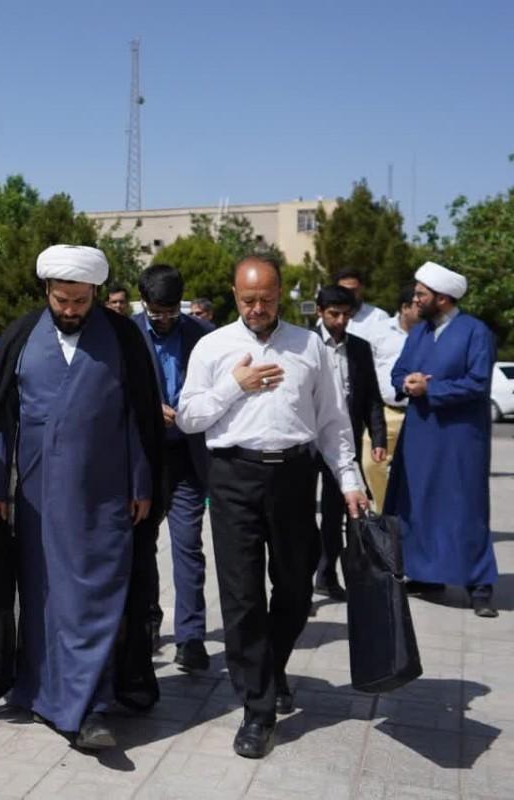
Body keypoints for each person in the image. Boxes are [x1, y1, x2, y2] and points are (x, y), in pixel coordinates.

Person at [0, 244, 165, 750]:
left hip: (106, 496)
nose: (72, 310)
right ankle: (41, 691)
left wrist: (143, 482)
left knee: (93, 600)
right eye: (62, 300)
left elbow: (140, 417)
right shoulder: (20, 336)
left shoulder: (122, 338)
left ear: (96, 293)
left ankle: (91, 708)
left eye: (81, 301)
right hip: (35, 496)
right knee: (44, 598)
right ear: (47, 293)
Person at [176, 255, 367, 760]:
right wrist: (233, 386)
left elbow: (332, 421)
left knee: (296, 588)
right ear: (234, 295)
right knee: (241, 596)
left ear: (281, 294)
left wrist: (349, 478)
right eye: (247, 300)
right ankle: (258, 711)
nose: (256, 308)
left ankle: (270, 665)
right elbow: (190, 417)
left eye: (265, 299)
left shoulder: (308, 347)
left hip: (294, 477)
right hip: (234, 476)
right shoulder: (213, 346)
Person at [387, 262, 499, 618]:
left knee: (464, 508)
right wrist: (407, 383)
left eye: (422, 294)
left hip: (460, 440)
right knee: (418, 505)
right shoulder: (419, 333)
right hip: (420, 436)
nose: (415, 299)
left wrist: (430, 387)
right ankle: (426, 574)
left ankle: (479, 585)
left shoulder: (475, 332)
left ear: (444, 298)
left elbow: (477, 383)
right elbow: (398, 371)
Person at [132, 264, 215, 671]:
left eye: (170, 312)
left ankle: (192, 637)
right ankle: (147, 623)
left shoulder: (203, 337)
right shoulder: (127, 334)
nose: (163, 320)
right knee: (142, 546)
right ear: (143, 302)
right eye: (156, 312)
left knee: (188, 546)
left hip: (187, 458)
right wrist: (150, 411)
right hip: (144, 460)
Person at [311, 285, 387, 599]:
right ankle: (298, 578)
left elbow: (371, 397)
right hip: (305, 442)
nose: (341, 320)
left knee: (336, 513)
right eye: (334, 314)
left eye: (346, 314)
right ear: (319, 312)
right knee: (299, 514)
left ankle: (327, 576)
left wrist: (378, 436)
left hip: (343, 441)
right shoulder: (302, 343)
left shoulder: (359, 348)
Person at [364, 284, 419, 511]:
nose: (423, 307)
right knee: (371, 463)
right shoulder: (379, 331)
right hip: (387, 412)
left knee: (418, 470)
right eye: (417, 304)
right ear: (405, 308)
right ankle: (385, 512)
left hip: (421, 412)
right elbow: (366, 368)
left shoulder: (432, 332)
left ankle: (415, 519)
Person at [336, 268, 389, 341]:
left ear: (361, 288)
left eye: (352, 290)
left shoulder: (378, 317)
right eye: (343, 290)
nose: (348, 294)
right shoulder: (326, 318)